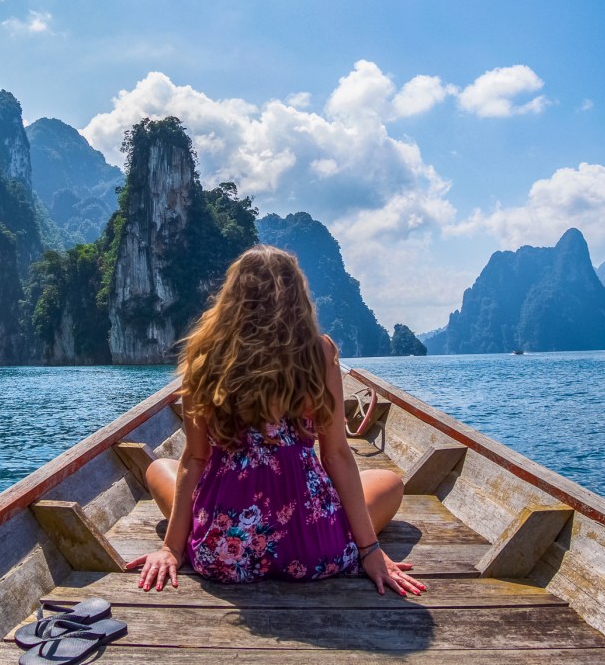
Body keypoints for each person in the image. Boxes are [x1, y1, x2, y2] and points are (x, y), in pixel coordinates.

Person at [128, 245, 426, 598]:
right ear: (297, 297)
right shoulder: (320, 352)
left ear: (231, 298)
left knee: (158, 467)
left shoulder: (204, 357)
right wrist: (370, 552)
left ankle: (193, 536)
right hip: (312, 547)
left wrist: (171, 550)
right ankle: (342, 537)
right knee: (388, 481)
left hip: (226, 551)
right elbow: (335, 456)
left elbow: (195, 459)